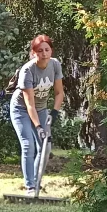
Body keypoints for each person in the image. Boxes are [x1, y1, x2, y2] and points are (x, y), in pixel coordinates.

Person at [9, 34, 64, 196]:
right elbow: (29, 104)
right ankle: (30, 186)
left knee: (45, 147)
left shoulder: (55, 65)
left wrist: (53, 114)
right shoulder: (27, 70)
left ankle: (37, 182)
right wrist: (39, 127)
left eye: (47, 50)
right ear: (34, 53)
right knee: (28, 145)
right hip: (21, 109)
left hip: (41, 109)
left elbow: (59, 93)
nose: (44, 53)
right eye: (40, 51)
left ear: (51, 51)